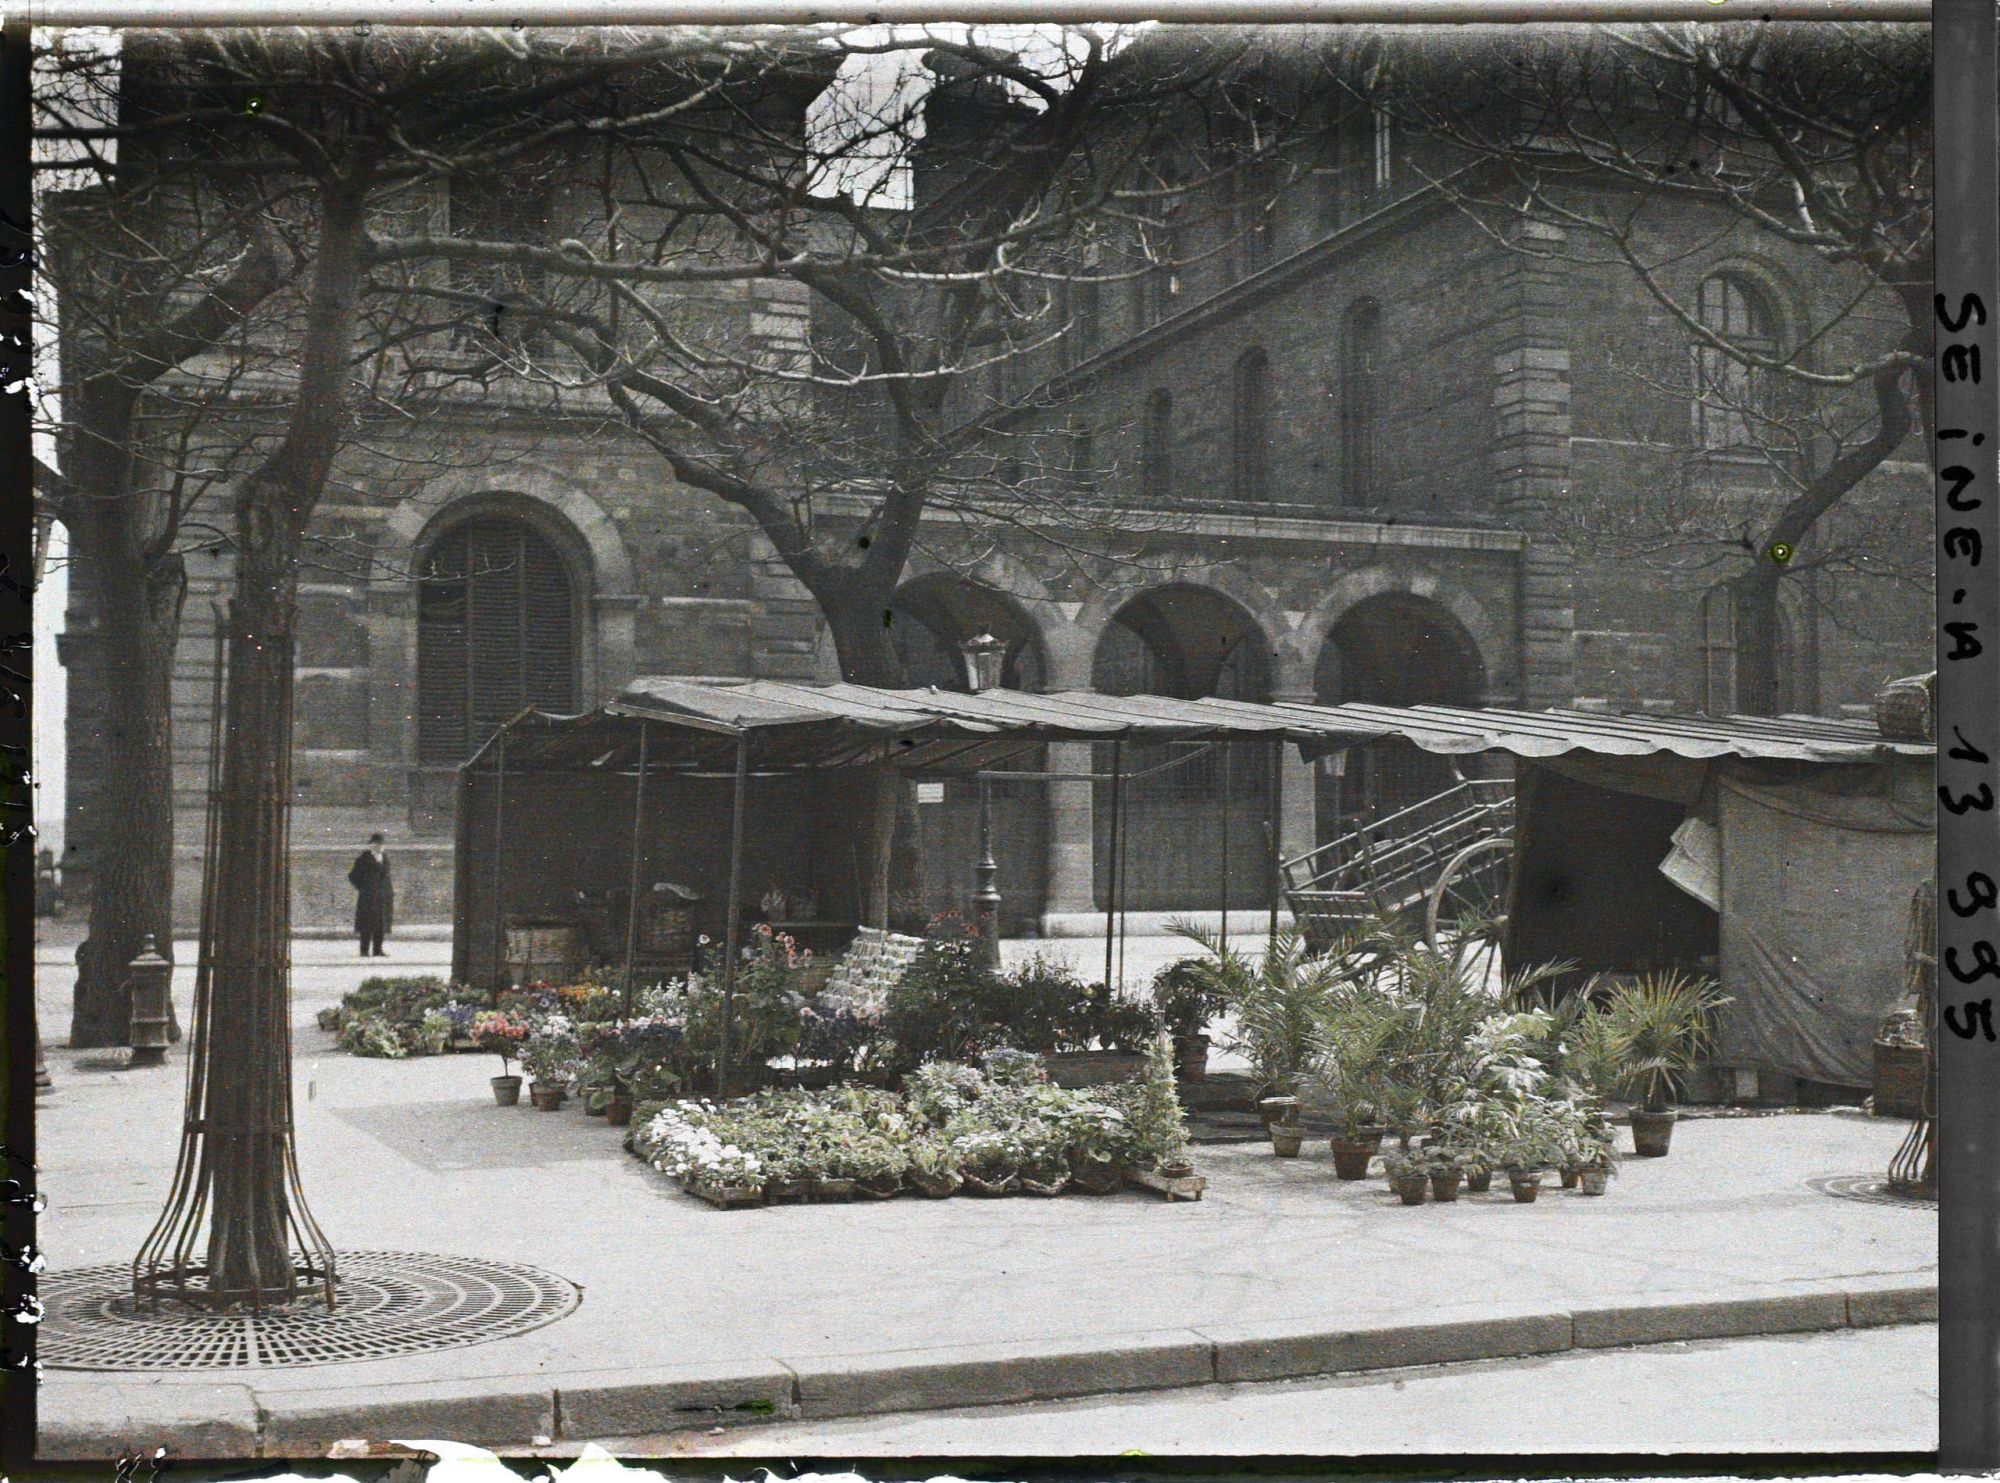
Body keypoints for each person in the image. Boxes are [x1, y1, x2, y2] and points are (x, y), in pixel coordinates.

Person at [348, 833, 394, 957]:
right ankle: (364, 950)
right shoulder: (363, 859)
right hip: (368, 897)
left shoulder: (385, 858)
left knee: (380, 924)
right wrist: (364, 888)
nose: (378, 847)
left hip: (383, 896)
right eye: (375, 844)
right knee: (366, 924)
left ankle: (377, 950)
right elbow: (352, 876)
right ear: (370, 845)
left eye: (380, 844)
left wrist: (388, 891)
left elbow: (386, 876)